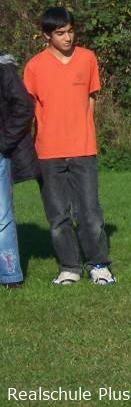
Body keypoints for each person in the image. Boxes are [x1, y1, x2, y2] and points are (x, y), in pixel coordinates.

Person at [23, 7, 116, 285]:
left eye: (71, 31)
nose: (68, 37)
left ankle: (99, 265)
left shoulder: (87, 59)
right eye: (60, 33)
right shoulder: (34, 67)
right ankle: (69, 267)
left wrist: (83, 132)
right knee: (58, 216)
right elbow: (28, 110)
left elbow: (91, 99)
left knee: (90, 212)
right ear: (46, 36)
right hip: (47, 153)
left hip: (83, 149)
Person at [0, 51, 39, 289]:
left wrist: (3, 143)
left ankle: (10, 275)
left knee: (1, 217)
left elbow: (24, 106)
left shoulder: (3, 68)